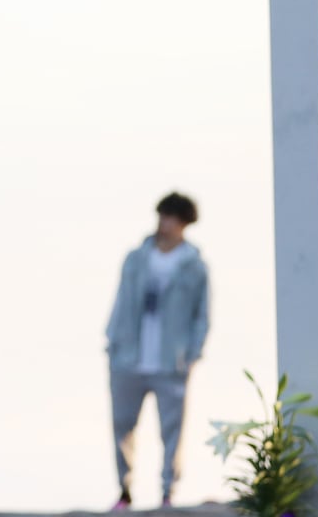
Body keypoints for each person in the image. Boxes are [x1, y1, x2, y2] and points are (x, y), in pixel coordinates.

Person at [106, 192, 210, 509]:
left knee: (172, 431)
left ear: (184, 224)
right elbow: (120, 301)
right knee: (122, 424)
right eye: (162, 216)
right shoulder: (137, 258)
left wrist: (191, 354)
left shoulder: (194, 267)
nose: (164, 224)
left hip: (171, 364)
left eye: (171, 218)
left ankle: (168, 492)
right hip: (128, 358)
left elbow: (201, 316)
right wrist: (112, 341)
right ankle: (124, 492)